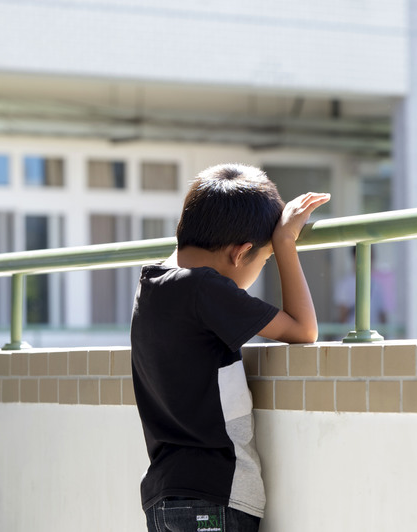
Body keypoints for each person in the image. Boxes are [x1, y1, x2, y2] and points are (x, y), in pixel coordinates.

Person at [130, 163, 330, 531]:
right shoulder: (207, 289)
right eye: (265, 260)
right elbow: (304, 330)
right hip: (215, 494)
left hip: (163, 494)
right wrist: (285, 243)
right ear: (240, 254)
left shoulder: (152, 283)